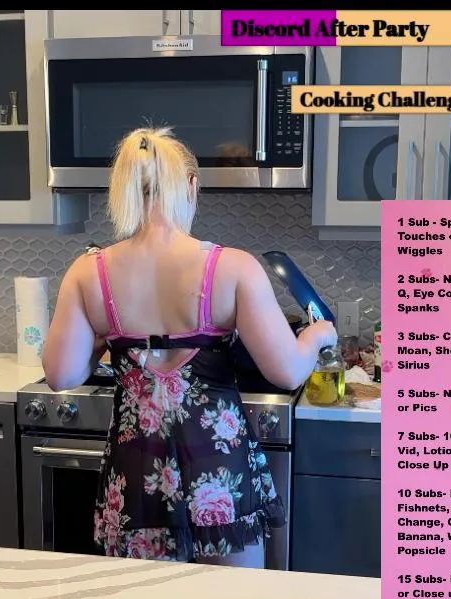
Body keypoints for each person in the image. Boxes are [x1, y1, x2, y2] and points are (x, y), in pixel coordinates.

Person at [42, 127, 338, 567]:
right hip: (220, 475)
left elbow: (61, 374)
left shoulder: (89, 273)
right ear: (192, 186)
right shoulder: (233, 268)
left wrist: (107, 333)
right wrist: (319, 334)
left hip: (137, 477)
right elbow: (289, 371)